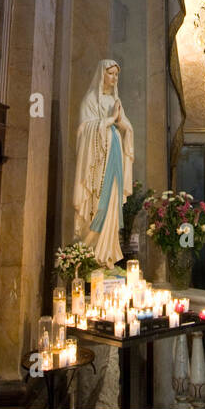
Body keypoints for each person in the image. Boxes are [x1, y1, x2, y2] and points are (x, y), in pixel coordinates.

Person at [72, 60, 136, 268]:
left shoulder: (115, 100)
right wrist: (108, 121)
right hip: (97, 164)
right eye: (111, 74)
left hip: (115, 153)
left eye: (117, 74)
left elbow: (125, 126)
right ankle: (91, 256)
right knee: (99, 202)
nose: (114, 78)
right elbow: (83, 131)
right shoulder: (90, 100)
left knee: (112, 203)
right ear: (102, 74)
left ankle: (107, 256)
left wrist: (121, 123)